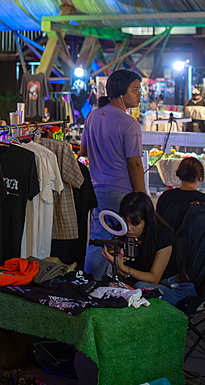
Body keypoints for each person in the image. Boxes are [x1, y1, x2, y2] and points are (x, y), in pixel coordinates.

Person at [81, 69, 145, 277]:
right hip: (122, 192)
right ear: (119, 92)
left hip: (97, 189)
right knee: (120, 243)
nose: (139, 94)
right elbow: (134, 165)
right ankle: (114, 287)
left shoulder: (92, 117)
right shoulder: (129, 123)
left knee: (98, 240)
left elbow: (84, 152)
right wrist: (142, 197)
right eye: (135, 89)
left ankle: (90, 283)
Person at [102, 192, 195, 306]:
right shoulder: (124, 234)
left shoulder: (163, 235)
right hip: (139, 285)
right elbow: (125, 276)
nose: (129, 228)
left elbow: (154, 278)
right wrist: (116, 264)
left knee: (139, 288)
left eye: (135, 223)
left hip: (170, 287)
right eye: (126, 222)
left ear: (147, 220)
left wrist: (123, 268)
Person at [156, 156, 205, 233]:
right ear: (200, 177)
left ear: (180, 174)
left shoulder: (165, 197)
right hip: (197, 245)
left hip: (168, 245)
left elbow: (158, 227)